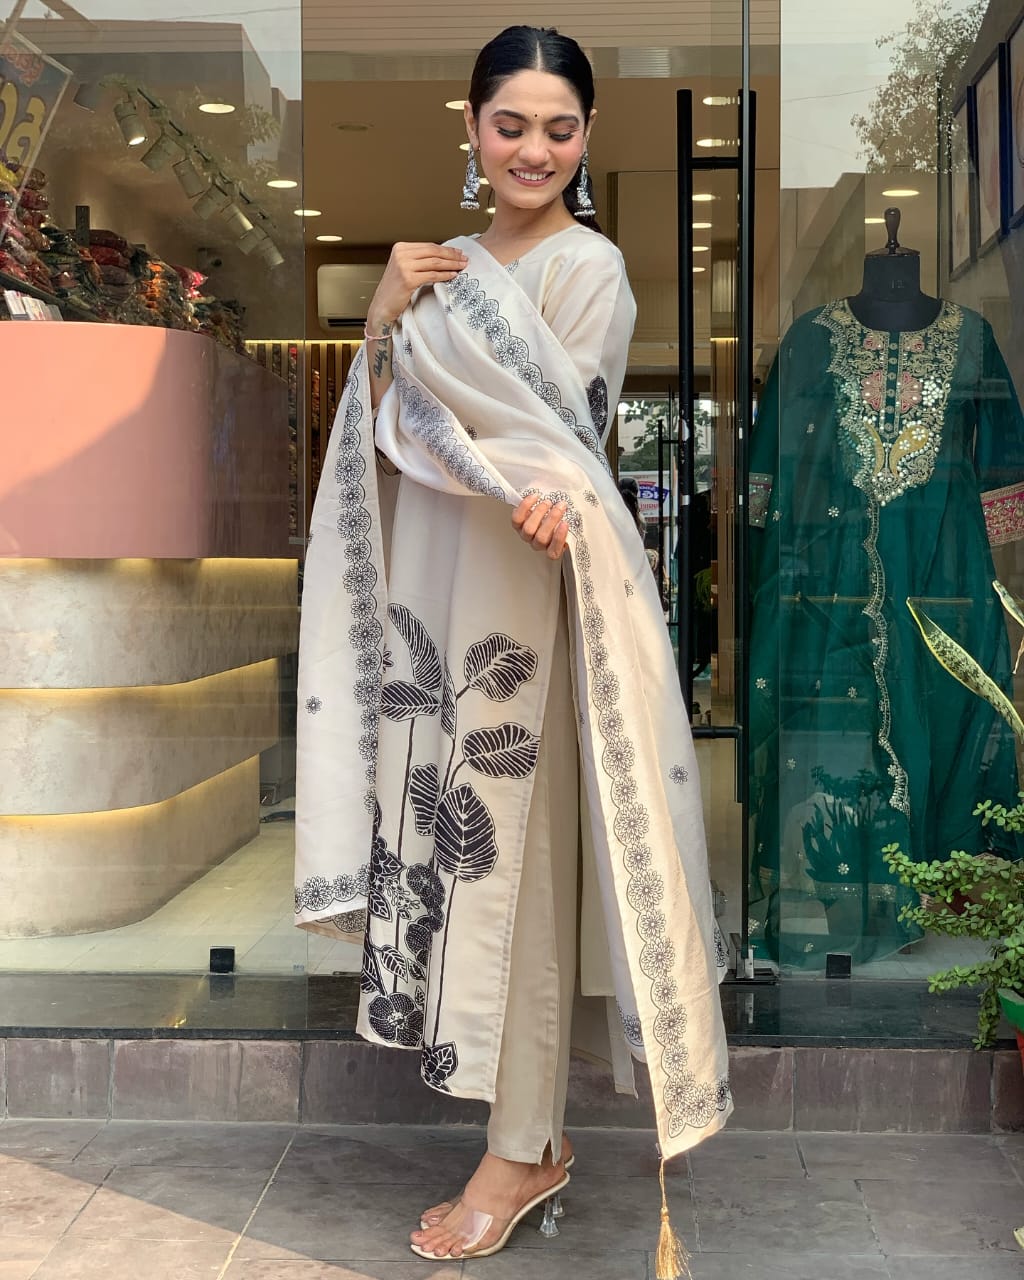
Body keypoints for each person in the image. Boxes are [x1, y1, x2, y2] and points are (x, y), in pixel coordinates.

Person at [294, 25, 731, 1267]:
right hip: (442, 586)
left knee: (520, 865)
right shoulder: (439, 269)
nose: (533, 149)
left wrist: (545, 494)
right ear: (472, 128)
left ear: (586, 137)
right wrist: (382, 313)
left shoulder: (588, 266)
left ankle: (523, 1145)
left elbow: (560, 436)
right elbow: (388, 425)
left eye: (558, 128)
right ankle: (522, 1125)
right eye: (511, 124)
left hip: (529, 581)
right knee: (461, 848)